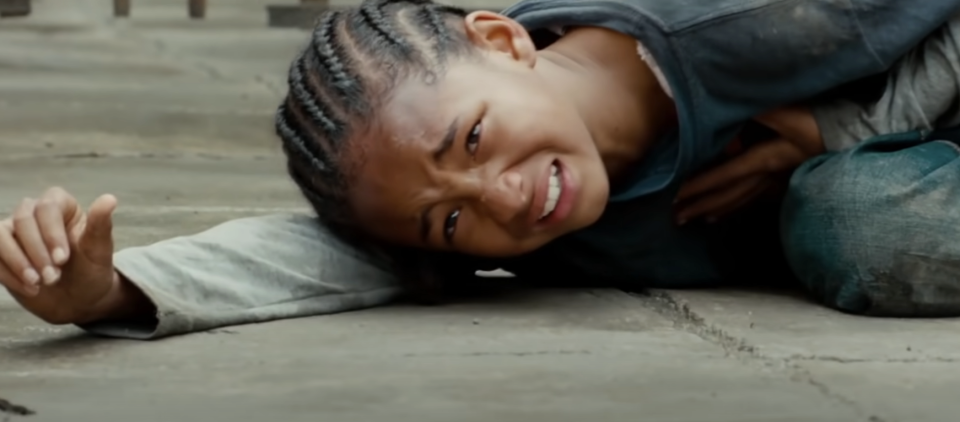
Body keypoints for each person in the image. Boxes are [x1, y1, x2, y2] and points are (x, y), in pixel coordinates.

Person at [3, 0, 960, 340]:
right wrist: (112, 291)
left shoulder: (740, 20)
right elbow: (317, 256)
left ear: (504, 40)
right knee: (857, 220)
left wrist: (853, 122)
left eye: (469, 140)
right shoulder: (504, 225)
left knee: (846, 216)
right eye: (451, 225)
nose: (502, 199)